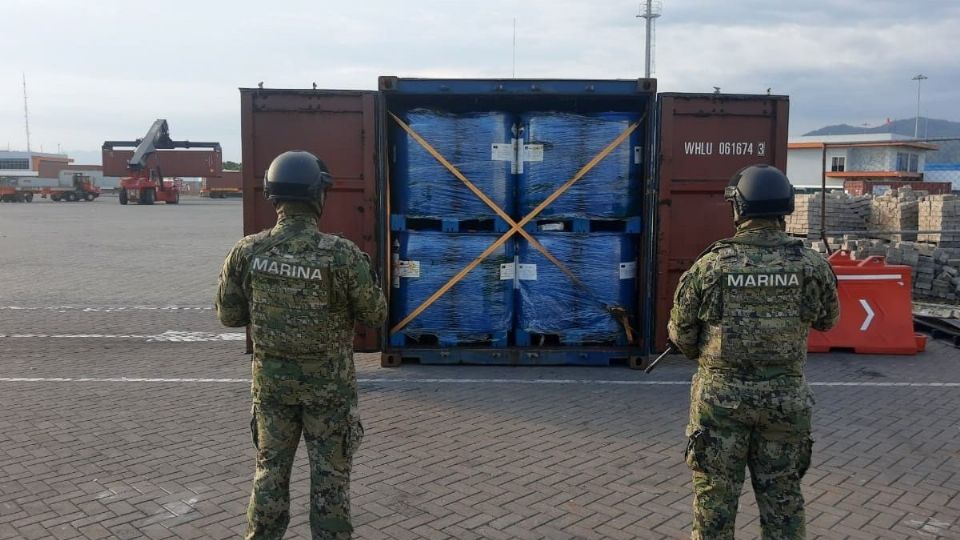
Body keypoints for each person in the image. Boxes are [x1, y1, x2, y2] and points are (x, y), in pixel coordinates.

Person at [216, 150, 387, 539]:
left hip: (273, 388)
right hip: (329, 391)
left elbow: (229, 315)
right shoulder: (341, 254)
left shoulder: (248, 251)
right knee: (331, 480)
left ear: (273, 196)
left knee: (269, 471)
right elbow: (374, 314)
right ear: (316, 196)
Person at [668, 164, 840, 540]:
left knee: (714, 506)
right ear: (785, 207)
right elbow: (828, 321)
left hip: (720, 404)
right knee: (783, 502)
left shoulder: (710, 266)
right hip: (785, 402)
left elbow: (682, 337)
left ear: (739, 209)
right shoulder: (811, 265)